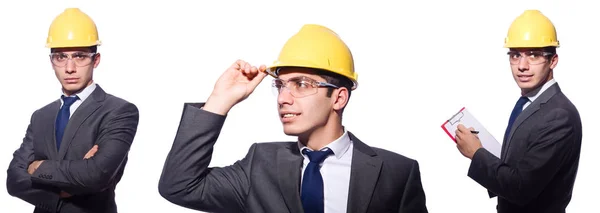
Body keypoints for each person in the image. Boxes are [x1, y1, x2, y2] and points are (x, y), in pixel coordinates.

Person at [158, 24, 428, 213]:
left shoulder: (397, 173)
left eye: (301, 84)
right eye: (280, 85)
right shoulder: (259, 165)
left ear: (339, 98)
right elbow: (179, 187)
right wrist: (219, 100)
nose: (283, 98)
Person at [6, 8, 139, 213]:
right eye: (60, 57)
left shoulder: (119, 111)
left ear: (96, 60)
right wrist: (65, 190)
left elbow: (96, 175)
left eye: (79, 56)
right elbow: (14, 181)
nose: (69, 68)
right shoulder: (41, 116)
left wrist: (38, 168)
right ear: (52, 62)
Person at [454, 10, 582, 213]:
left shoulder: (559, 115)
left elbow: (520, 188)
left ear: (553, 61)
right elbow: (519, 168)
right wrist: (484, 149)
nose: (522, 66)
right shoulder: (528, 103)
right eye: (515, 55)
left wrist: (476, 153)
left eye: (534, 55)